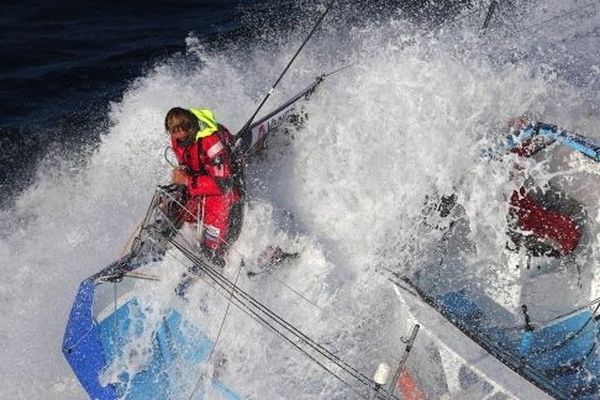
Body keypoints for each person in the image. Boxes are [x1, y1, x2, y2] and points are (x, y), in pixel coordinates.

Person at [164, 107, 244, 268]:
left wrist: (187, 181)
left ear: (189, 128)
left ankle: (218, 258)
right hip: (200, 183)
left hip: (225, 188)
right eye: (173, 133)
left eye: (181, 132)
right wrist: (184, 171)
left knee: (212, 244)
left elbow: (224, 184)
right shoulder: (176, 139)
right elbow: (188, 162)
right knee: (172, 212)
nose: (177, 137)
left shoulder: (210, 141)